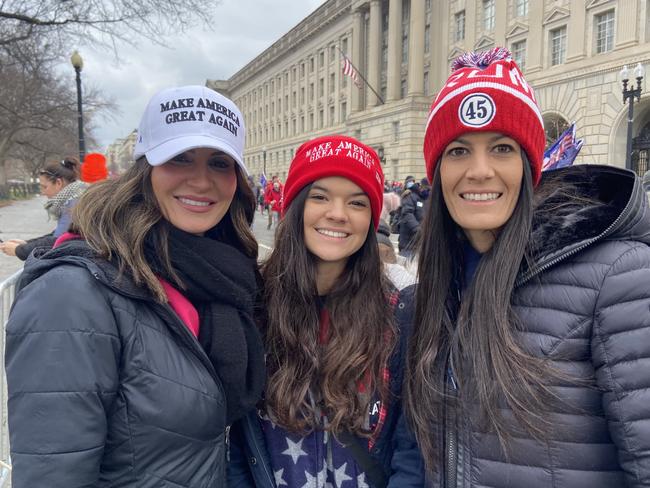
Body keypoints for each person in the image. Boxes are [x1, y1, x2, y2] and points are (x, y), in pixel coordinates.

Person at [404, 47, 650, 487]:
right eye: (459, 151)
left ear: (530, 165)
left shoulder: (621, 277)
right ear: (437, 172)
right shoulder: (437, 287)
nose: (479, 171)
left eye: (501, 148)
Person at [5, 85, 266, 487]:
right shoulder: (72, 293)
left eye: (219, 163)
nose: (202, 180)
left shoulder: (220, 275)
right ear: (145, 168)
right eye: (179, 158)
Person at [228, 135, 422, 487]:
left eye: (357, 203)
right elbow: (238, 446)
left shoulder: (401, 313)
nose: (337, 213)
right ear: (296, 206)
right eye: (320, 197)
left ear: (371, 218)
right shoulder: (252, 305)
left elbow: (410, 450)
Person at [0, 157, 86, 260]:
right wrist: (26, 244)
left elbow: (59, 241)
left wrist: (20, 250)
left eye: (44, 187)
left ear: (59, 183)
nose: (42, 192)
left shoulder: (73, 203)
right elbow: (59, 234)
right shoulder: (75, 197)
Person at [397, 175, 425, 257]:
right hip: (408, 241)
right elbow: (404, 213)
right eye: (409, 182)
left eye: (412, 181)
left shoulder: (421, 197)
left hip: (417, 242)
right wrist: (418, 229)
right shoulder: (407, 195)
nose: (411, 183)